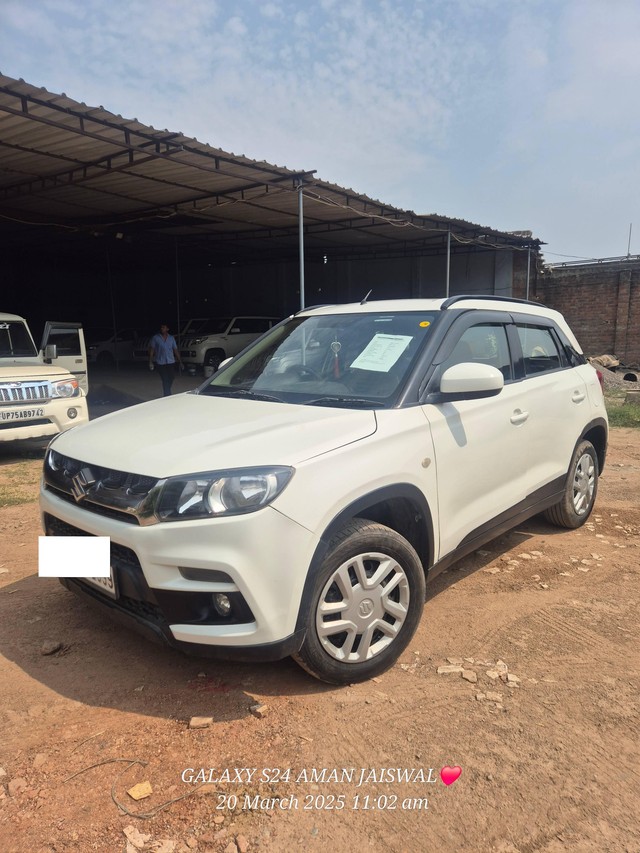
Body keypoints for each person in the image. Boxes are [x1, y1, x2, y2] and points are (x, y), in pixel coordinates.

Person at [148, 323, 182, 396]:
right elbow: (152, 350)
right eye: (161, 328)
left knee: (172, 377)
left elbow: (175, 350)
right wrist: (150, 361)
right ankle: (167, 394)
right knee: (165, 379)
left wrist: (180, 361)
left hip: (170, 361)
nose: (162, 329)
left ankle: (167, 391)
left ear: (167, 329)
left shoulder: (171, 338)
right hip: (160, 362)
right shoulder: (155, 338)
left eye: (163, 328)